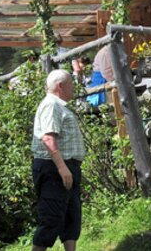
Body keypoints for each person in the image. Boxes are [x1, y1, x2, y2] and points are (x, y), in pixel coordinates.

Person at [32, 70, 85, 251]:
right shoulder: (51, 105)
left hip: (66, 167)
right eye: (71, 84)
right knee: (51, 219)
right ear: (60, 86)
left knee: (71, 216)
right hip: (54, 168)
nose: (74, 87)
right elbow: (48, 138)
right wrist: (62, 168)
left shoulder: (59, 105)